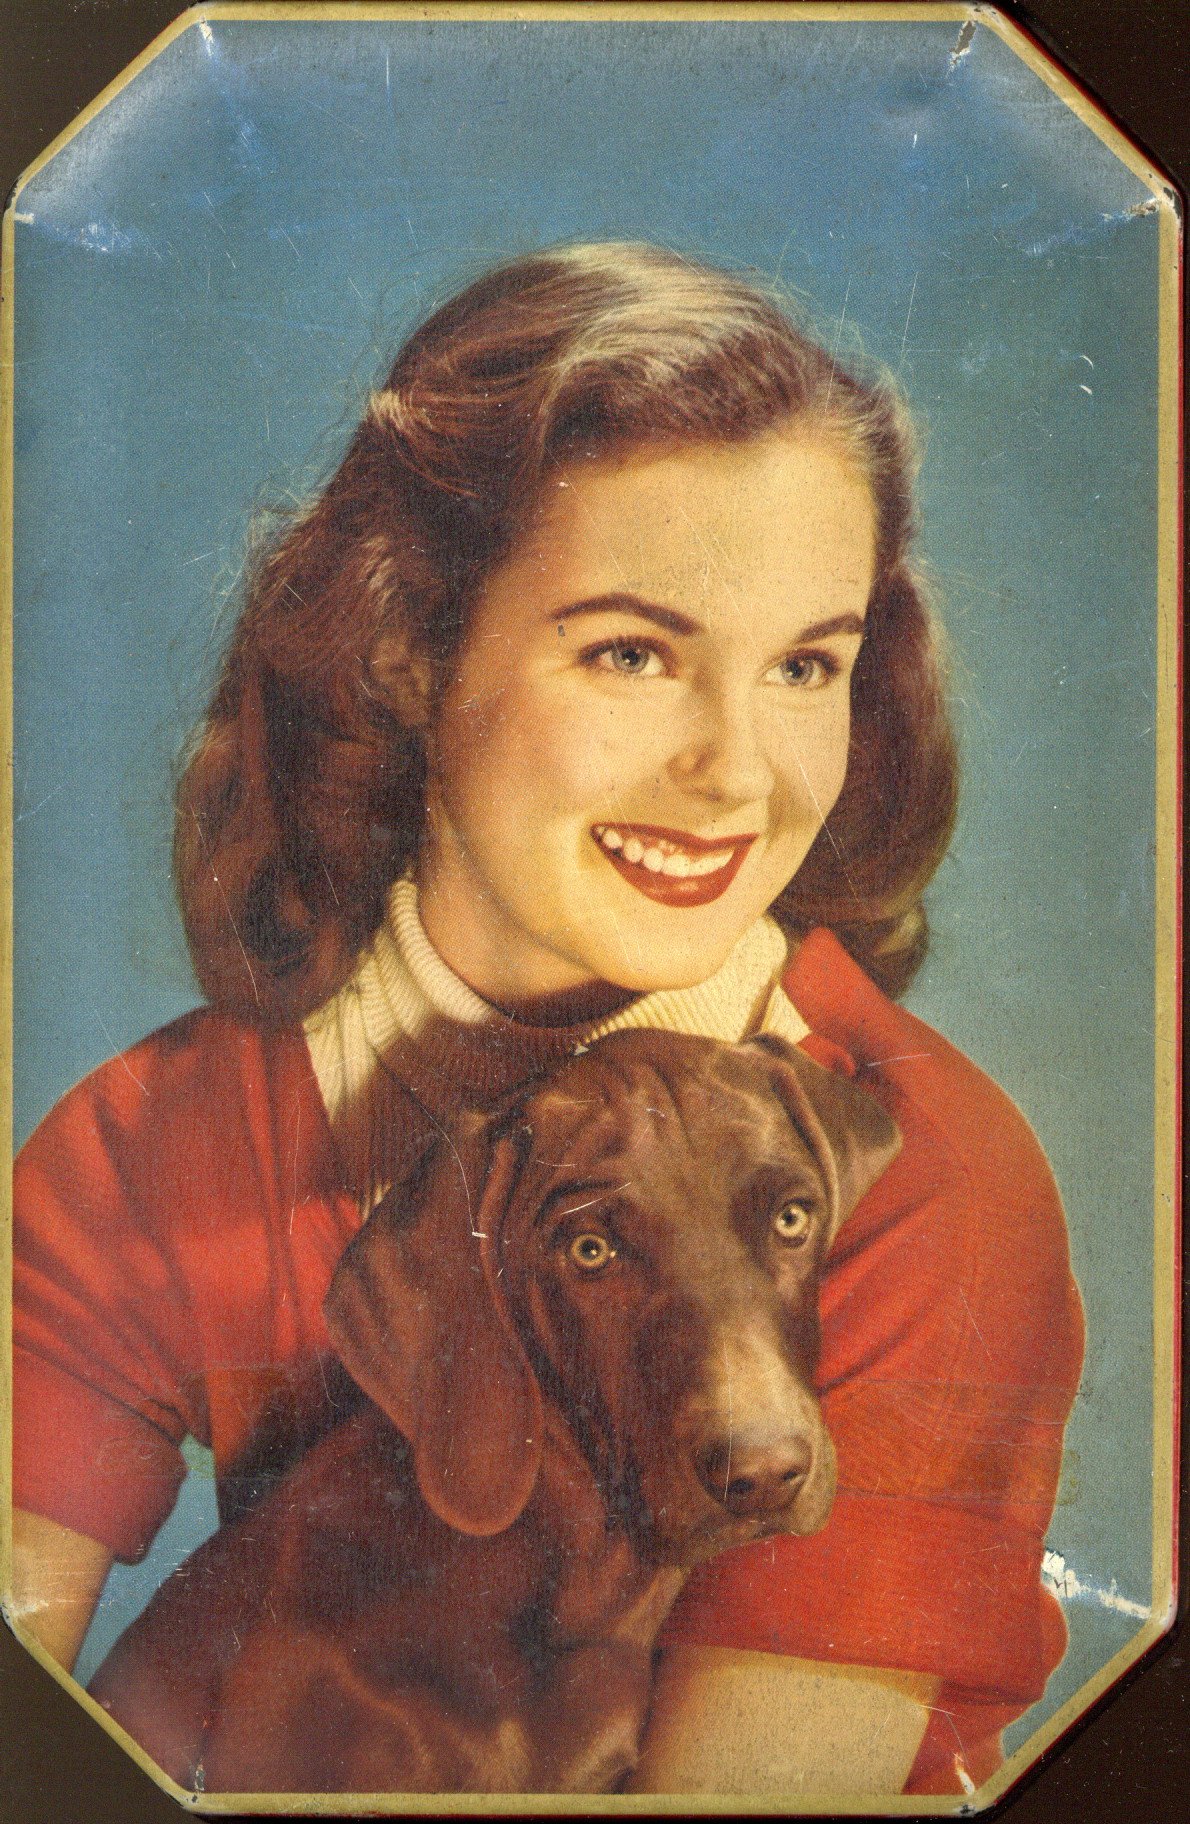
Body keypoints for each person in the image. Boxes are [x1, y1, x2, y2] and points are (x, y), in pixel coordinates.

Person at [11, 242, 1083, 1797]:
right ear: (404, 651)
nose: (736, 771)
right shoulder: (151, 1147)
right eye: (630, 653)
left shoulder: (919, 1175)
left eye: (804, 666)